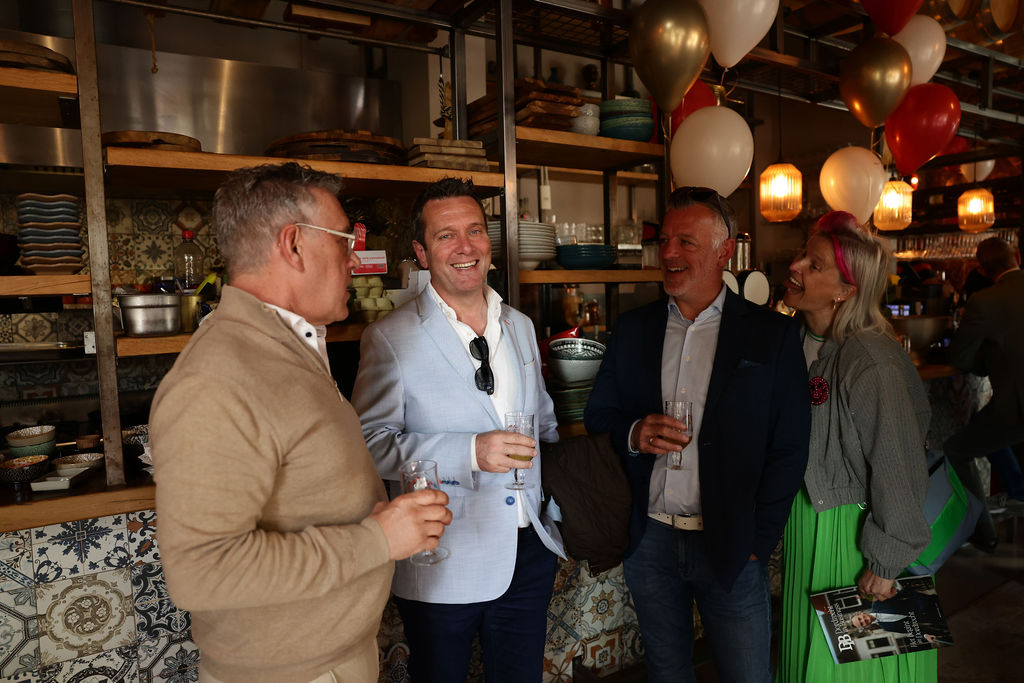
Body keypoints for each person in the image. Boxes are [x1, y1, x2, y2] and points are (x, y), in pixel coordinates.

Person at [150, 163, 452, 683]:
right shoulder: (215, 379)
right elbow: (202, 571)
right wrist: (378, 540)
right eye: (344, 241)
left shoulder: (288, 344)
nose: (354, 258)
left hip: (333, 658)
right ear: (293, 245)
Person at [583, 186, 810, 682]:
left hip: (729, 541)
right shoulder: (634, 328)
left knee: (747, 675)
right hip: (650, 540)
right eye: (664, 240)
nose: (668, 253)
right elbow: (598, 415)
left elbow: (790, 446)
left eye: (686, 241)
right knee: (667, 672)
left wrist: (759, 539)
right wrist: (634, 432)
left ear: (724, 251)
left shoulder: (771, 334)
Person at [351, 177, 564, 682]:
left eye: (474, 231)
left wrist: (554, 511)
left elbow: (545, 422)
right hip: (441, 560)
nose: (465, 247)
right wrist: (470, 451)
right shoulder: (389, 337)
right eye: (446, 235)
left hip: (528, 554)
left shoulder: (520, 325)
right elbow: (368, 444)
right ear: (422, 252)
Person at [776, 210, 934, 682]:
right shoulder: (795, 339)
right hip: (807, 516)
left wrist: (886, 560)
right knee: (808, 652)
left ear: (845, 291)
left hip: (853, 529)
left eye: (815, 265)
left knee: (850, 666)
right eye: (802, 255)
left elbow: (898, 463)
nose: (796, 266)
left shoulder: (869, 360)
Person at [946, 236, 1024, 548]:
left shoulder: (984, 301)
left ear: (982, 270)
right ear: (1017, 256)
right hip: (1012, 413)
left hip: (1015, 411)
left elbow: (959, 357)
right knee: (985, 424)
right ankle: (1016, 492)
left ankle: (984, 533)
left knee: (956, 450)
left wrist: (983, 365)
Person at [849, 585, 950, 646]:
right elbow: (911, 629)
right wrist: (925, 635)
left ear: (861, 613)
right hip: (933, 617)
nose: (863, 620)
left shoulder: (877, 602)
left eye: (860, 618)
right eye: (861, 623)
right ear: (865, 626)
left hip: (930, 602)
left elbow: (902, 593)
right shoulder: (886, 627)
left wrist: (921, 598)